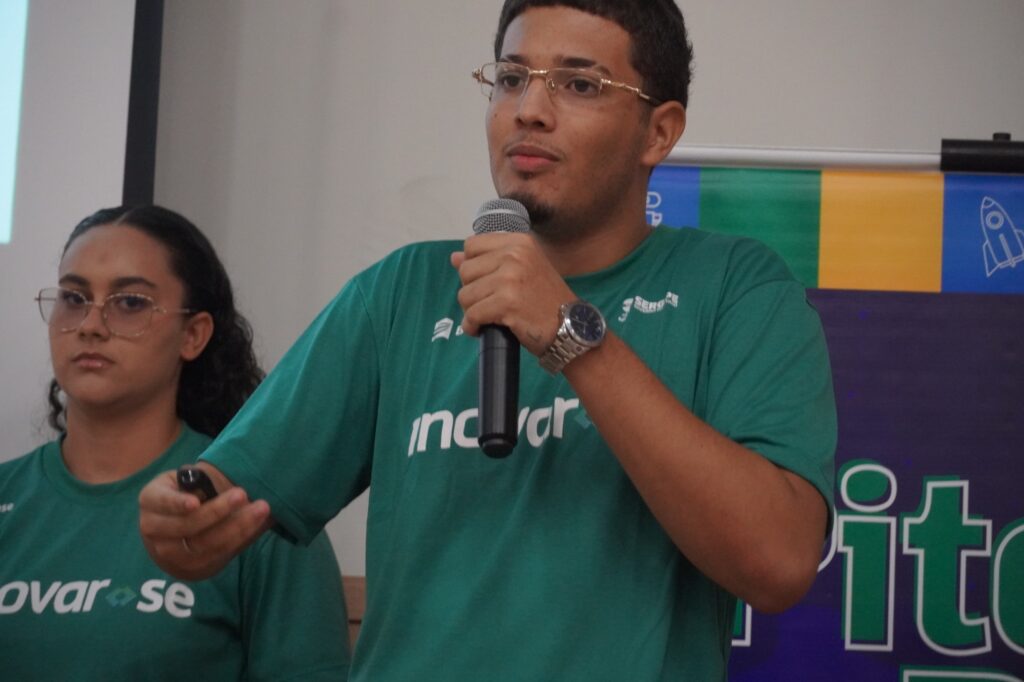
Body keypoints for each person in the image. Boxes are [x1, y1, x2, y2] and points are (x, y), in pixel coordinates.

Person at [139, 1, 836, 679]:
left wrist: (570, 333)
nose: (529, 109)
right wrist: (184, 518)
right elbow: (223, 496)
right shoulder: (402, 292)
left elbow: (778, 562)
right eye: (510, 78)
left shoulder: (735, 287)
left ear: (659, 132)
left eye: (579, 84)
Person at [0, 205, 351, 680]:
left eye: (130, 303)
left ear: (193, 335)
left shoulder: (252, 507)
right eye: (74, 298)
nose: (90, 325)